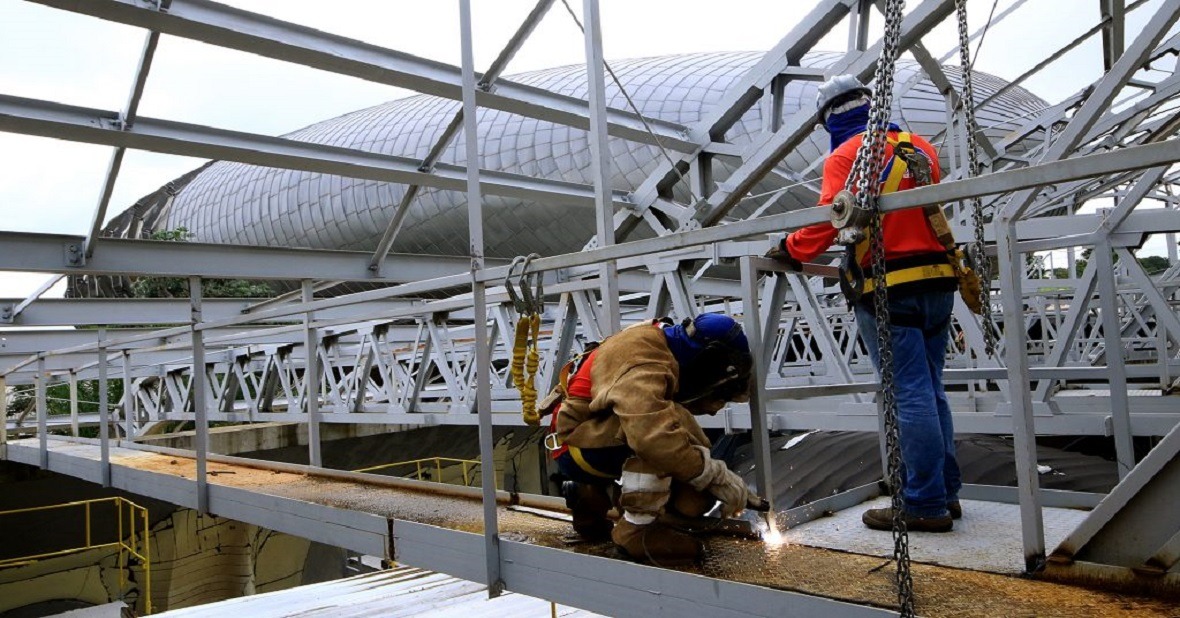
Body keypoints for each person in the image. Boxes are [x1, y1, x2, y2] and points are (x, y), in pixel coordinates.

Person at [765, 75, 962, 533]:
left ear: (830, 116)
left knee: (908, 393)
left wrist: (790, 249)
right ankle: (944, 493)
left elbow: (831, 219)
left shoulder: (846, 154)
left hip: (889, 284)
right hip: (937, 280)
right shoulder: (920, 148)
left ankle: (924, 503)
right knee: (932, 390)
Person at [545, 313, 757, 565]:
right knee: (660, 434)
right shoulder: (642, 359)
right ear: (707, 361)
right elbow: (650, 436)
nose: (714, 408)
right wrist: (714, 475)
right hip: (574, 444)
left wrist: (709, 482)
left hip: (596, 439)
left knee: (694, 495)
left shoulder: (662, 344)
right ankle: (636, 532)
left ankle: (588, 496)